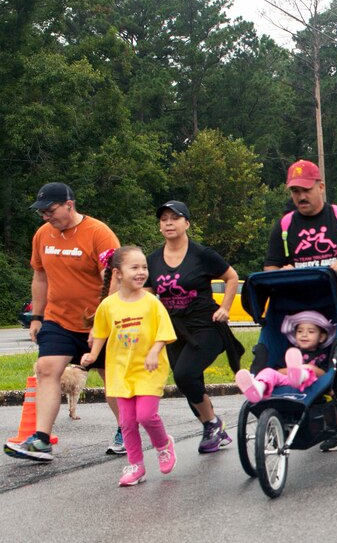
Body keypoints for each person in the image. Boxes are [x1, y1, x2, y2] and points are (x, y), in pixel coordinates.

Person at [5, 183, 124, 462]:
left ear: (69, 204)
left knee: (113, 383)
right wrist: (37, 316)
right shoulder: (42, 235)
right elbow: (41, 276)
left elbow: (115, 279)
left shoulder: (99, 233)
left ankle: (126, 431)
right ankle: (41, 440)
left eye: (50, 210)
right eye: (42, 212)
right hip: (58, 320)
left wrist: (101, 323)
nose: (46, 216)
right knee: (47, 370)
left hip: (99, 322)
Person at [265, 159, 337, 452]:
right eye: (294, 192)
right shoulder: (285, 226)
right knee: (303, 364)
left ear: (320, 187)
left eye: (305, 190)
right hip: (303, 309)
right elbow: (269, 269)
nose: (300, 197)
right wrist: (282, 272)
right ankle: (314, 415)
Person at [147, 201, 243, 454]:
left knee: (184, 374)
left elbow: (231, 277)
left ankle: (212, 423)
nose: (168, 223)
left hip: (206, 326)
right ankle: (213, 429)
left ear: (186, 223)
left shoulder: (202, 254)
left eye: (174, 218)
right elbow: (146, 295)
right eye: (163, 219)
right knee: (189, 382)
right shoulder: (153, 260)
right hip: (174, 329)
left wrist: (225, 308)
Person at [81, 246, 178, 487]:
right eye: (134, 267)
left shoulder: (152, 303)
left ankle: (163, 444)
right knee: (127, 422)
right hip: (120, 371)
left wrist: (155, 351)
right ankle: (136, 465)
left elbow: (164, 333)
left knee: (145, 415)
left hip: (149, 369)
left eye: (144, 267)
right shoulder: (108, 305)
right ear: (118, 273)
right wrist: (92, 355)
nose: (141, 272)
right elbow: (101, 333)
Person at [235, 311, 335, 402]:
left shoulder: (323, 355)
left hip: (312, 384)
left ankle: (301, 375)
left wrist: (307, 368)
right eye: (300, 331)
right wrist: (291, 371)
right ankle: (259, 387)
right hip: (287, 380)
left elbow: (325, 374)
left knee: (308, 372)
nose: (304, 335)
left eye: (311, 332)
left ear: (321, 337)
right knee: (268, 372)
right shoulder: (291, 353)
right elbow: (278, 371)